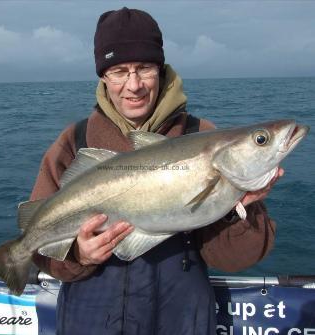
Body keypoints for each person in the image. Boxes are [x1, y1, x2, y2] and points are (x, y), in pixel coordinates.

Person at [30, 7, 283, 335]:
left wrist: (237, 210)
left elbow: (237, 259)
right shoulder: (74, 141)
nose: (133, 85)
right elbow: (38, 251)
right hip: (90, 318)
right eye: (119, 71)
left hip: (180, 317)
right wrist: (79, 255)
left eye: (144, 68)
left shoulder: (203, 136)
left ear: (161, 71)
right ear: (104, 77)